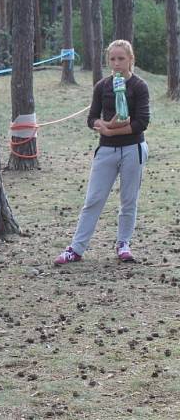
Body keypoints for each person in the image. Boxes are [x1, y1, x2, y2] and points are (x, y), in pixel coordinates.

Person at [54, 39, 150, 265]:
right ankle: (76, 249)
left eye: (121, 59)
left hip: (132, 148)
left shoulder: (139, 86)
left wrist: (111, 129)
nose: (116, 64)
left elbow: (141, 122)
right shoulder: (102, 86)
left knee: (128, 200)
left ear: (130, 60)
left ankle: (123, 243)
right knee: (93, 199)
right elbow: (91, 119)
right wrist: (102, 126)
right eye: (113, 59)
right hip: (106, 151)